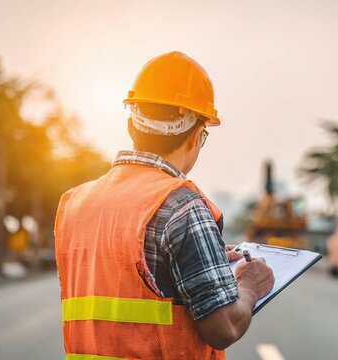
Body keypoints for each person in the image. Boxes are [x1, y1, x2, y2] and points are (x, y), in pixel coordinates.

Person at [54, 51, 274, 360]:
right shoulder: (181, 204)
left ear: (132, 127)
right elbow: (222, 328)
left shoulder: (75, 203)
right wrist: (250, 285)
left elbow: (125, 276)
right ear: (197, 136)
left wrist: (196, 259)